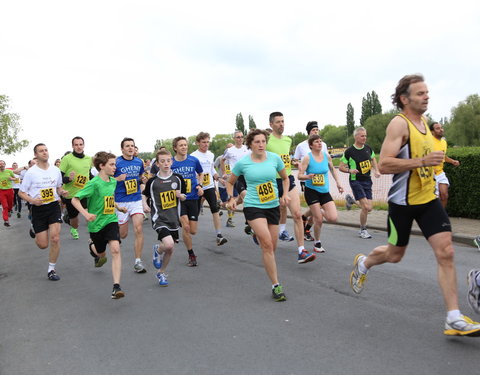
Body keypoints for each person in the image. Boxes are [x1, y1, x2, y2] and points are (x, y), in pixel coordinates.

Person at [349, 74, 480, 336]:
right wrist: (422, 162)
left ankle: (453, 318)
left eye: (427, 92)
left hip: (427, 199)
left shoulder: (425, 125)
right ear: (404, 99)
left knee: (447, 252)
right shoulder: (399, 125)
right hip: (402, 203)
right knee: (395, 255)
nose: (426, 96)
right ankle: (364, 263)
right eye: (420, 93)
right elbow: (385, 164)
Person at [226, 129, 290, 301]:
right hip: (254, 206)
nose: (261, 144)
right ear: (250, 144)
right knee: (267, 245)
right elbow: (230, 181)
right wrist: (231, 197)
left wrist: (284, 195)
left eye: (263, 141)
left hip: (273, 206)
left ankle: (256, 233)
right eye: (257, 142)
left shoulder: (275, 159)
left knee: (272, 247)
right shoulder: (243, 163)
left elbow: (285, 178)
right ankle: (276, 286)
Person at [72, 151, 126, 299]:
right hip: (96, 224)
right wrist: (86, 214)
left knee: (115, 249)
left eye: (115, 164)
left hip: (111, 220)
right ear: (102, 166)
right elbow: (75, 200)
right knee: (101, 254)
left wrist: (118, 207)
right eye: (112, 164)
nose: (115, 167)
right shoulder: (93, 183)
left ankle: (116, 287)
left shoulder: (113, 181)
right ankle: (92, 247)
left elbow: (108, 199)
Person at [267, 112, 316, 264]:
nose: (281, 124)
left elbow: (284, 157)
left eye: (283, 121)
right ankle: (260, 234)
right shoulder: (266, 140)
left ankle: (301, 251)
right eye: (278, 122)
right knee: (270, 218)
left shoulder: (288, 139)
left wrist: (293, 161)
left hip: (287, 180)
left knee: (296, 214)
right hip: (272, 182)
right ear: (271, 124)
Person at [19, 143, 68, 280]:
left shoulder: (55, 170)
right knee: (42, 244)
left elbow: (58, 188)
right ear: (36, 155)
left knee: (55, 238)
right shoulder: (31, 173)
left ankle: (51, 269)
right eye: (41, 151)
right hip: (38, 209)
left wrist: (62, 192)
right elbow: (21, 193)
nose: (45, 152)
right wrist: (33, 201)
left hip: (53, 206)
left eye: (46, 150)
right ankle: (34, 229)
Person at [142, 149, 187, 286]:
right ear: (157, 164)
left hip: (174, 218)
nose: (166, 163)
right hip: (159, 218)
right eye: (162, 161)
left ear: (171, 161)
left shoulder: (178, 178)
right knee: (169, 244)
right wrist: (144, 204)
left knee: (170, 249)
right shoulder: (153, 181)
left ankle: (161, 272)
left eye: (168, 160)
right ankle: (158, 250)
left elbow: (184, 196)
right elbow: (144, 194)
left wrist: (181, 196)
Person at [297, 135, 344, 254]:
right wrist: (308, 176)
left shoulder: (326, 156)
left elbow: (333, 170)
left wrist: (338, 183)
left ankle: (318, 211)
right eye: (317, 142)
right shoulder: (307, 158)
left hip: (324, 191)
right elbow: (299, 175)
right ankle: (317, 243)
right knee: (318, 219)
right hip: (311, 191)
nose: (320, 143)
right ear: (311, 145)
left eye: (321, 141)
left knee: (333, 218)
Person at [339, 127, 380, 239]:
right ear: (356, 137)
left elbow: (373, 159)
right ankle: (363, 230)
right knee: (365, 207)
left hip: (367, 180)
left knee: (369, 208)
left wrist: (376, 170)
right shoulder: (349, 152)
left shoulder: (368, 148)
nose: (364, 138)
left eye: (365, 135)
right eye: (362, 136)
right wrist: (349, 170)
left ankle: (351, 201)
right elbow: (341, 167)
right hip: (355, 180)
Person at [114, 137, 147, 273]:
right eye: (127, 146)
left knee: (138, 229)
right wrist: (117, 179)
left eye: (132, 146)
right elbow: (106, 180)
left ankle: (138, 261)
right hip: (121, 201)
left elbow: (140, 177)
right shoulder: (116, 162)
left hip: (135, 200)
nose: (130, 148)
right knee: (123, 234)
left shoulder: (139, 162)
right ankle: (109, 237)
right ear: (122, 149)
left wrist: (143, 180)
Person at [293, 121, 330, 241]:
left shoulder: (322, 144)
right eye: (314, 130)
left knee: (318, 208)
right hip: (307, 179)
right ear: (309, 132)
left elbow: (326, 160)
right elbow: (294, 160)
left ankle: (305, 221)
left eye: (317, 130)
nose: (316, 132)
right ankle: (307, 229)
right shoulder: (301, 146)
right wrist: (298, 164)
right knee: (317, 209)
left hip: (322, 181)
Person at [171, 136, 204, 267]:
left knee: (193, 230)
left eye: (185, 145)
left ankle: (177, 225)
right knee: (186, 226)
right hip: (179, 200)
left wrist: (200, 185)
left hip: (193, 197)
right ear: (175, 148)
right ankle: (191, 254)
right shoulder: (171, 163)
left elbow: (201, 173)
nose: (184, 147)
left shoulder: (193, 160)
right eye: (181, 145)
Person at [191, 132, 228, 246]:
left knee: (215, 209)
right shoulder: (193, 156)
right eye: (203, 142)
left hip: (210, 186)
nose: (206, 144)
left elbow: (212, 169)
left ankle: (219, 235)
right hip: (197, 187)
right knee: (194, 214)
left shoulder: (211, 154)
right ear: (198, 143)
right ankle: (186, 224)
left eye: (208, 142)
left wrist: (219, 178)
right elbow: (191, 172)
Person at [59, 136, 93, 240]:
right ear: (73, 146)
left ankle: (94, 239)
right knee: (75, 222)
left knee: (89, 216)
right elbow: (59, 177)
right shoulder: (67, 158)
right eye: (76, 145)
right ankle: (73, 228)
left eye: (80, 144)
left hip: (85, 192)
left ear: (84, 145)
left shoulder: (88, 159)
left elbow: (89, 174)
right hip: (71, 195)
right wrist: (68, 179)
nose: (79, 147)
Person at [221, 131, 251, 227]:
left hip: (247, 176)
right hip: (236, 176)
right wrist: (225, 173)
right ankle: (249, 222)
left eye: (242, 137)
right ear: (234, 138)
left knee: (241, 200)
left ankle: (229, 205)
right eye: (238, 137)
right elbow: (222, 160)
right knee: (246, 197)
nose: (240, 139)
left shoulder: (247, 149)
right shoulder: (230, 150)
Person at [429, 122, 460, 208]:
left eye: (441, 128)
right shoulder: (428, 141)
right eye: (437, 128)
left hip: (440, 173)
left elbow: (443, 156)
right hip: (429, 174)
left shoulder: (443, 142)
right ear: (432, 131)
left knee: (444, 195)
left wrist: (452, 161)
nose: (441, 130)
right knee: (432, 198)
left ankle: (441, 215)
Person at [0, 160, 16, 226]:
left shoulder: (9, 171)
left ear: (5, 164)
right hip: (1, 191)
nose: (2, 165)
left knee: (10, 204)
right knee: (5, 206)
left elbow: (15, 179)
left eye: (3, 164)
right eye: (0, 164)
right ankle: (6, 220)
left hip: (9, 190)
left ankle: (9, 210)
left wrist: (12, 179)